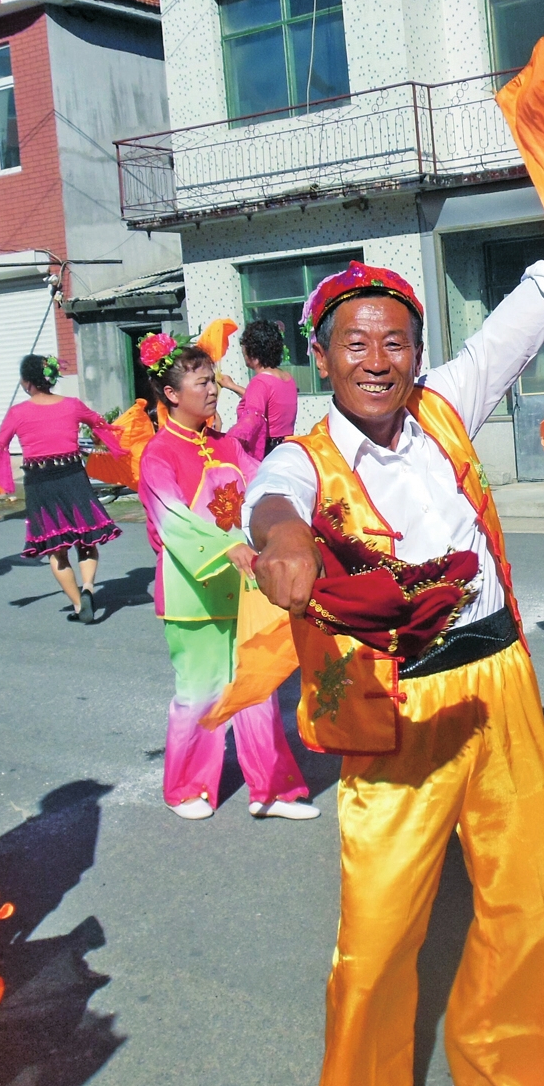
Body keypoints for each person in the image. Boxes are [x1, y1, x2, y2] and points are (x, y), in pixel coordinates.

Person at [245, 175, 544, 1086]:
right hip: (394, 709)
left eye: (395, 340)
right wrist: (282, 541)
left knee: (519, 918)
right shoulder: (301, 458)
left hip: (503, 682)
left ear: (418, 351)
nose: (378, 359)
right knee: (379, 937)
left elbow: (536, 303)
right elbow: (271, 503)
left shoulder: (446, 404)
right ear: (322, 356)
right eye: (355, 343)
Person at [137, 335, 316, 823]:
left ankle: (271, 790)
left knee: (256, 688)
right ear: (172, 393)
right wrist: (227, 545)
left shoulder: (226, 445)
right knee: (200, 691)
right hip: (191, 594)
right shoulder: (158, 454)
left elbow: (264, 488)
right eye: (202, 382)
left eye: (214, 380)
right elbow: (171, 519)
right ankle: (185, 788)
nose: (214, 390)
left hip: (242, 587)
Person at [0, 356, 123, 624]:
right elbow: (101, 425)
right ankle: (89, 587)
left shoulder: (18, 413)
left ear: (27, 382)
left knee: (56, 548)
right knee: (86, 538)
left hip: (40, 480)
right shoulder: (72, 405)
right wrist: (99, 440)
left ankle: (80, 604)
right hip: (72, 475)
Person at [217, 318, 300, 462]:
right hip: (287, 448)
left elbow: (252, 420)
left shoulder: (260, 382)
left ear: (254, 355)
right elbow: (267, 402)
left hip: (267, 452)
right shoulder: (287, 378)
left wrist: (227, 443)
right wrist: (232, 386)